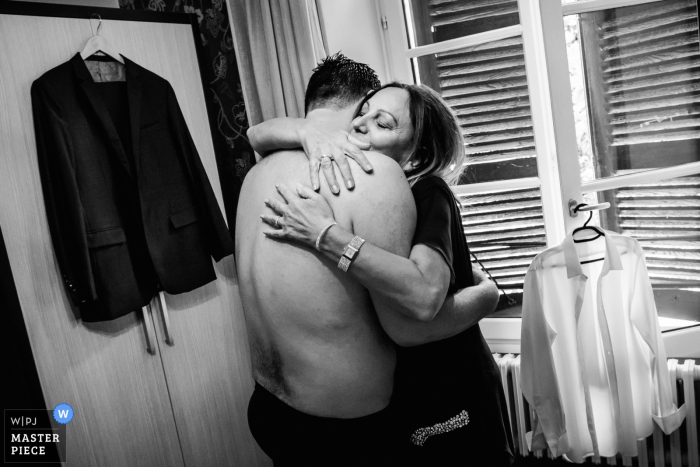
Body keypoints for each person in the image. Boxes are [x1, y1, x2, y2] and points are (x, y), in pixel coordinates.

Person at [236, 54, 499, 466]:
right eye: (365, 112)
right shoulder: (372, 176)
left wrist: (326, 234)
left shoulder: (257, 174)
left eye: (383, 121)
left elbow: (421, 298)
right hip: (343, 431)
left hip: (269, 409)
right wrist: (486, 295)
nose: (363, 124)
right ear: (356, 106)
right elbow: (406, 326)